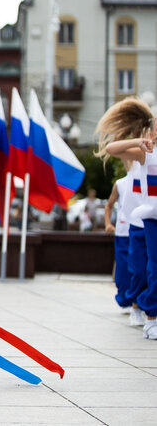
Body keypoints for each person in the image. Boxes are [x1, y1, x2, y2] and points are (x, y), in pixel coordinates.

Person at [96, 97, 157, 338]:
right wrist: (139, 142)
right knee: (150, 269)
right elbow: (111, 149)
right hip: (150, 220)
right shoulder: (146, 154)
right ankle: (149, 315)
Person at [105, 167, 133, 314]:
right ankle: (125, 299)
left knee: (141, 269)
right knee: (123, 269)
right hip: (123, 232)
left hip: (142, 229)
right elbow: (109, 205)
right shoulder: (120, 183)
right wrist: (108, 223)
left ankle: (138, 301)